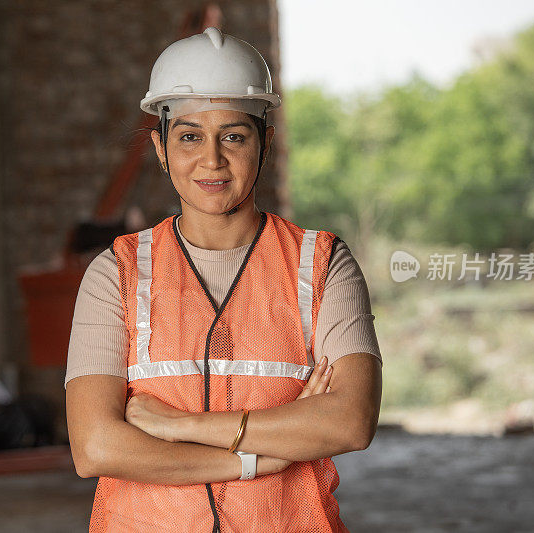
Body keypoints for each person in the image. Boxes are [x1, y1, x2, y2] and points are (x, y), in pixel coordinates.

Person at [65, 27, 382, 533]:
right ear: (161, 146)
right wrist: (256, 457)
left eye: (233, 135)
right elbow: (96, 446)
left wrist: (180, 428)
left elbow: (350, 421)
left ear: (266, 141)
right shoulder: (116, 274)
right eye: (190, 136)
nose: (211, 159)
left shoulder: (322, 264)